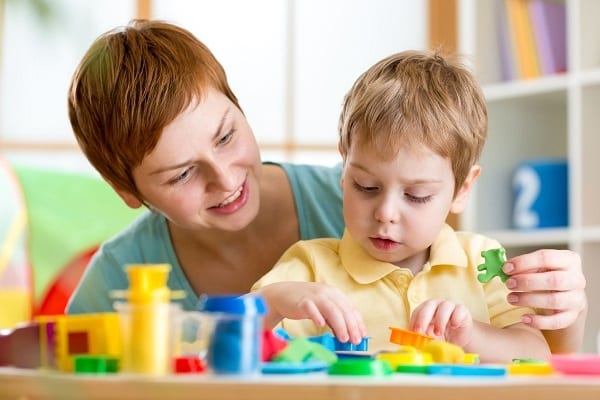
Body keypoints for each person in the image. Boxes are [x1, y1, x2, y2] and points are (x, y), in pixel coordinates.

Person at [65, 19, 586, 355]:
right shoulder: (310, 264)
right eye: (180, 174)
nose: (224, 180)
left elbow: (542, 360)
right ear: (127, 190)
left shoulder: (462, 253)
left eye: (226, 136)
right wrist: (269, 304)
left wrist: (565, 315)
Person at [252, 50, 553, 361]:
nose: (385, 213)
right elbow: (220, 340)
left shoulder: (482, 261)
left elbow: (537, 355)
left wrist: (471, 335)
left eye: (417, 195)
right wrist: (273, 302)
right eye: (366, 186)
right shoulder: (310, 266)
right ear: (345, 170)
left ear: (462, 189)